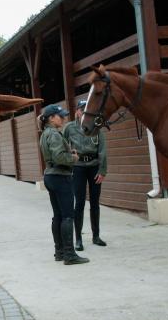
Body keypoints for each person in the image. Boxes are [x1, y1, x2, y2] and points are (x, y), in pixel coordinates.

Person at [39, 104, 89, 265]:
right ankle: (69, 255)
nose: (64, 118)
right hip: (60, 177)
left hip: (51, 176)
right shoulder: (54, 135)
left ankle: (59, 252)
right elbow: (59, 157)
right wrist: (73, 158)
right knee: (68, 216)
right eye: (61, 116)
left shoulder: (45, 133)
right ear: (51, 118)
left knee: (58, 216)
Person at [64, 100, 107, 251]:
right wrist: (67, 164)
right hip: (78, 168)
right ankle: (79, 239)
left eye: (86, 109)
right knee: (80, 203)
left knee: (95, 202)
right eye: (82, 109)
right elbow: (63, 145)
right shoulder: (69, 127)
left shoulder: (96, 126)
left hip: (94, 166)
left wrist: (102, 171)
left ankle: (96, 236)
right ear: (77, 111)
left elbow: (102, 149)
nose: (83, 112)